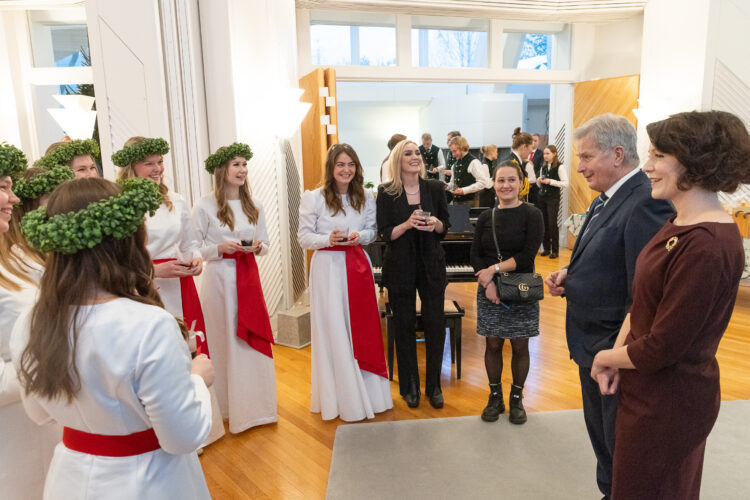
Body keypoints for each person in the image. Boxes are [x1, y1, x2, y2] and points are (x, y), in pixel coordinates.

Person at [12, 177, 213, 499]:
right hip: (150, 480)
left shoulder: (31, 322)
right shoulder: (149, 326)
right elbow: (182, 436)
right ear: (128, 241)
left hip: (70, 478)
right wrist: (197, 380)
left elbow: (38, 412)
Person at [591, 110, 749, 499]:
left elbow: (665, 345)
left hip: (671, 402)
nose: (646, 166)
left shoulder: (707, 244)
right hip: (646, 389)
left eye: (659, 156)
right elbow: (641, 303)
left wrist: (606, 358)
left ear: (696, 162)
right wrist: (615, 353)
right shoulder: (680, 223)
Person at [544, 113, 673, 499]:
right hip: (592, 344)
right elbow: (612, 257)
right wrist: (572, 272)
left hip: (612, 351)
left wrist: (615, 355)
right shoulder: (608, 200)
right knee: (604, 443)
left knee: (620, 449)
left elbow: (644, 293)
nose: (579, 167)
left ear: (617, 154)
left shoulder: (645, 204)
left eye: (586, 157)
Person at [113, 137, 224, 446]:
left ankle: (198, 426)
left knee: (188, 348)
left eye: (160, 161)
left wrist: (196, 259)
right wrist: (154, 271)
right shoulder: (119, 202)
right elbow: (119, 257)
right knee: (158, 354)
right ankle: (164, 429)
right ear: (131, 165)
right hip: (143, 287)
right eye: (149, 162)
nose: (157, 168)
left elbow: (188, 243)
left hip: (181, 285)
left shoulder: (175, 199)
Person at [298, 143, 393, 421]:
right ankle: (340, 396)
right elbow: (303, 238)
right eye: (340, 164)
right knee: (334, 328)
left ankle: (369, 393)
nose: (346, 169)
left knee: (360, 328)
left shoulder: (365, 195)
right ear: (331, 167)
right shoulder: (313, 197)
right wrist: (327, 239)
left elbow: (372, 232)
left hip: (356, 265)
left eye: (351, 164)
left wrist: (357, 237)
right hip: (327, 267)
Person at [193, 142, 277, 433]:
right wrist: (219, 248)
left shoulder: (256, 205)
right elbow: (193, 248)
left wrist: (256, 248)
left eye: (244, 164)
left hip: (248, 277)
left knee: (247, 343)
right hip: (219, 278)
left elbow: (265, 243)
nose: (242, 170)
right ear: (222, 170)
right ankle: (227, 408)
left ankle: (256, 407)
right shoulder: (205, 205)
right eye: (236, 165)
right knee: (221, 339)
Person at [0, 144, 60, 500]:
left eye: (10, 186)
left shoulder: (15, 258)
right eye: (2, 188)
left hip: (43, 419)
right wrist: (49, 356)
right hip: (12, 441)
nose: (13, 198)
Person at [376, 140, 450, 409]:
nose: (415, 156)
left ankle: (434, 387)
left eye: (417, 152)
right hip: (400, 266)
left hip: (431, 265)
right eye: (408, 153)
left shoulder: (434, 187)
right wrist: (407, 224)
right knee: (404, 327)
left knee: (434, 325)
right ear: (398, 160)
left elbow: (446, 226)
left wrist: (436, 223)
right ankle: (410, 387)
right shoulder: (386, 192)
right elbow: (385, 233)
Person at [471, 161, 543, 424]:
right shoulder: (484, 217)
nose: (506, 185)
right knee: (492, 344)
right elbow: (475, 254)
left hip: (521, 289)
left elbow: (526, 256)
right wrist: (488, 282)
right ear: (494, 184)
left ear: (521, 183)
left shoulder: (532, 214)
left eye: (512, 180)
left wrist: (493, 270)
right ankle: (495, 396)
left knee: (520, 345)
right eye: (501, 180)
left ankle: (516, 398)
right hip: (488, 290)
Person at [535, 145, 569, 259]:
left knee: (552, 224)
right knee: (543, 223)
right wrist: (539, 181)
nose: (545, 156)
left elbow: (565, 183)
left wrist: (551, 181)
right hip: (542, 197)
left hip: (553, 198)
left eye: (548, 153)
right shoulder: (543, 167)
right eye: (544, 153)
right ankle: (546, 248)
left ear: (554, 154)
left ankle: (555, 250)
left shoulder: (560, 166)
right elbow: (539, 184)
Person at [447, 136, 492, 205]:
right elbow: (453, 183)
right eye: (452, 152)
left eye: (454, 151)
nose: (453, 155)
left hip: (471, 203)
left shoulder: (474, 162)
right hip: (456, 203)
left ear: (462, 148)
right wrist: (446, 186)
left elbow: (483, 183)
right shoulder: (454, 165)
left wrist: (464, 190)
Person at [507, 128, 535, 201]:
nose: (532, 151)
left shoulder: (516, 161)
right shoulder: (512, 163)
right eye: (531, 147)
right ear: (524, 147)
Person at [527, 134, 544, 204]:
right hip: (524, 185)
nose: (533, 142)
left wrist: (532, 180)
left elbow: (541, 169)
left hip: (534, 185)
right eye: (531, 140)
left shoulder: (541, 154)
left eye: (535, 141)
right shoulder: (525, 152)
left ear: (538, 142)